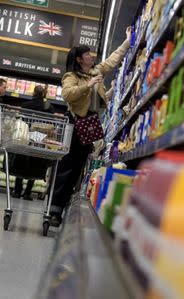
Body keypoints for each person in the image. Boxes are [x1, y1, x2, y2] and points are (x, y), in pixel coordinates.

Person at [49, 27, 132, 226]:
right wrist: (89, 84)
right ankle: (54, 210)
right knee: (66, 166)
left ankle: (66, 204)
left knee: (78, 167)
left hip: (90, 124)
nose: (91, 56)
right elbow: (67, 94)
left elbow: (113, 60)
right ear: (79, 59)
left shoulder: (96, 71)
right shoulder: (71, 76)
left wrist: (128, 41)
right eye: (87, 54)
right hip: (75, 123)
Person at [12, 86, 54, 200]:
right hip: (39, 137)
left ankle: (17, 191)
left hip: (25, 135)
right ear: (44, 94)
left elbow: (21, 120)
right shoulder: (48, 106)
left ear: (34, 93)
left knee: (21, 160)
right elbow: (51, 123)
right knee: (35, 162)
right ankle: (27, 193)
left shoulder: (26, 105)